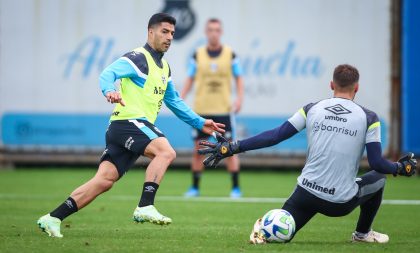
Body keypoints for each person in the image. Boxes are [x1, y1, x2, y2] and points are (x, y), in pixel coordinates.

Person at [36, 13, 225, 238]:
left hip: (123, 128)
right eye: (165, 31)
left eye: (172, 33)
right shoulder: (138, 58)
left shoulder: (164, 68)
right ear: (151, 32)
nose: (169, 37)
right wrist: (110, 91)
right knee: (166, 152)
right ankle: (145, 205)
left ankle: (53, 218)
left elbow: (174, 101)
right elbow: (108, 74)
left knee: (104, 180)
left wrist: (200, 121)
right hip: (128, 122)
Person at [198, 64, 417, 243]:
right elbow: (377, 163)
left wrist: (233, 147)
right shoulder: (369, 118)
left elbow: (275, 136)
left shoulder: (312, 108)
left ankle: (264, 231)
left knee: (280, 232)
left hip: (305, 195)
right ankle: (362, 234)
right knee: (378, 179)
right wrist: (399, 168)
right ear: (357, 88)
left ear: (331, 84)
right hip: (339, 203)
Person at [181, 18, 244, 198]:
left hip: (223, 111)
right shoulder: (197, 55)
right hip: (201, 111)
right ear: (206, 33)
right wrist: (180, 99)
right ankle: (194, 188)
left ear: (221, 32)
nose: (214, 33)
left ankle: (236, 188)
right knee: (197, 151)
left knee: (230, 150)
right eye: (210, 30)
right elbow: (190, 79)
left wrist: (239, 99)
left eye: (217, 30)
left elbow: (239, 78)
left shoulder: (230, 55)